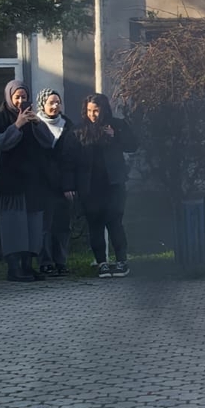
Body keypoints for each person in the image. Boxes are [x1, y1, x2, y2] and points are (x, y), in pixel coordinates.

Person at [74, 94, 138, 278]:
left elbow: (133, 145)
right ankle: (101, 262)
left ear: (104, 110)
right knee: (95, 225)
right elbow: (70, 159)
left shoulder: (117, 125)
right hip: (90, 186)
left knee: (115, 222)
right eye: (89, 111)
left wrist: (115, 136)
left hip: (114, 184)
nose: (92, 115)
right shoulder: (79, 130)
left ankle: (121, 261)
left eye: (96, 110)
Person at [0, 80, 49, 282]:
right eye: (17, 97)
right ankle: (14, 268)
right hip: (11, 181)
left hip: (32, 180)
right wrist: (17, 125)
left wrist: (37, 123)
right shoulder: (0, 116)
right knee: (14, 225)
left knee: (33, 225)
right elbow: (0, 143)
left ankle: (28, 265)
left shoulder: (34, 118)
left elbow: (48, 142)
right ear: (9, 97)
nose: (21, 101)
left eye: (24, 97)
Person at [33, 88, 78, 276]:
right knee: (44, 226)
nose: (55, 106)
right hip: (42, 184)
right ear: (42, 103)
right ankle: (45, 262)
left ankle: (61, 261)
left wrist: (69, 185)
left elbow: (71, 159)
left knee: (62, 225)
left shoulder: (67, 125)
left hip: (62, 185)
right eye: (51, 102)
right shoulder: (34, 124)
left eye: (57, 102)